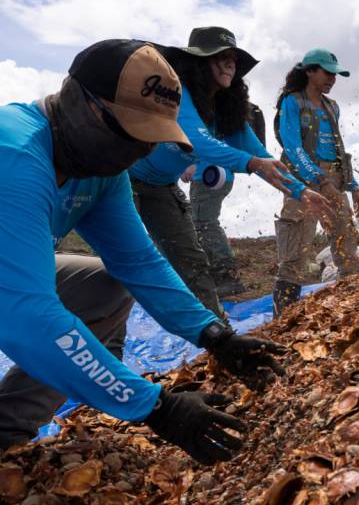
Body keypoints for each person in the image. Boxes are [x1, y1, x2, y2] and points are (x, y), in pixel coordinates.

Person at [0, 39, 288, 465]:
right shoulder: (17, 157)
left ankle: (5, 430)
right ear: (82, 103)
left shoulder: (100, 170)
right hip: (15, 295)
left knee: (106, 285)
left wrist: (214, 336)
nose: (141, 151)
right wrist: (155, 406)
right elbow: (27, 315)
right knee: (38, 318)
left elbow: (137, 261)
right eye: (132, 133)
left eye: (151, 140)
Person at [128, 27, 331, 316]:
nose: (230, 64)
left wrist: (301, 191)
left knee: (192, 261)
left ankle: (220, 336)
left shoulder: (227, 109)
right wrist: (250, 164)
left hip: (162, 188)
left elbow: (260, 156)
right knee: (128, 258)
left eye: (233, 59)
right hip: (126, 181)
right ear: (198, 63)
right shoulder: (177, 94)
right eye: (219, 57)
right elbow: (197, 141)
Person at [272, 48, 359, 316]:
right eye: (327, 72)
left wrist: (352, 185)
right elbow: (292, 146)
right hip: (303, 180)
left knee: (345, 240)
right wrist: (319, 181)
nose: (332, 79)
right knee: (295, 250)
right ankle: (282, 318)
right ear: (310, 71)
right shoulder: (293, 102)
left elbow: (338, 147)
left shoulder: (331, 107)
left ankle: (353, 307)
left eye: (335, 74)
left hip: (334, 179)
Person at [186, 102, 267, 298]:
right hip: (219, 174)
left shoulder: (208, 109)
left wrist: (192, 164)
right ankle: (220, 276)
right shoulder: (222, 109)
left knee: (204, 223)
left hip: (208, 174)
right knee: (203, 223)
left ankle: (228, 277)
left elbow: (205, 143)